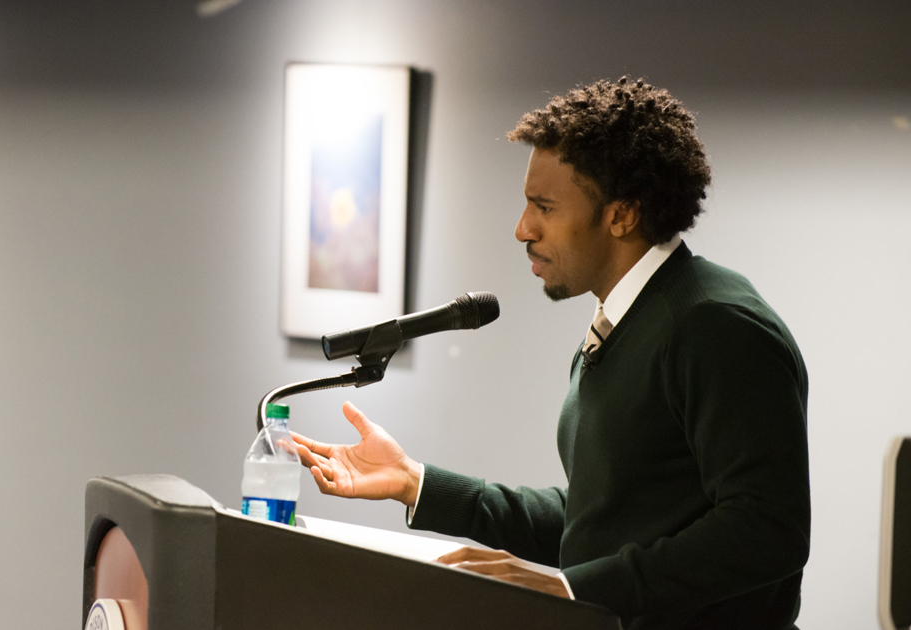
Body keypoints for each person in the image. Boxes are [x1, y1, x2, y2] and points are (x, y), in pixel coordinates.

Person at [291, 77, 811, 630]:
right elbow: (601, 520)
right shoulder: (624, 318)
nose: (522, 229)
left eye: (543, 206)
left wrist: (572, 588)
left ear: (622, 215)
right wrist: (417, 482)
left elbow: (767, 529)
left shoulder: (715, 325)